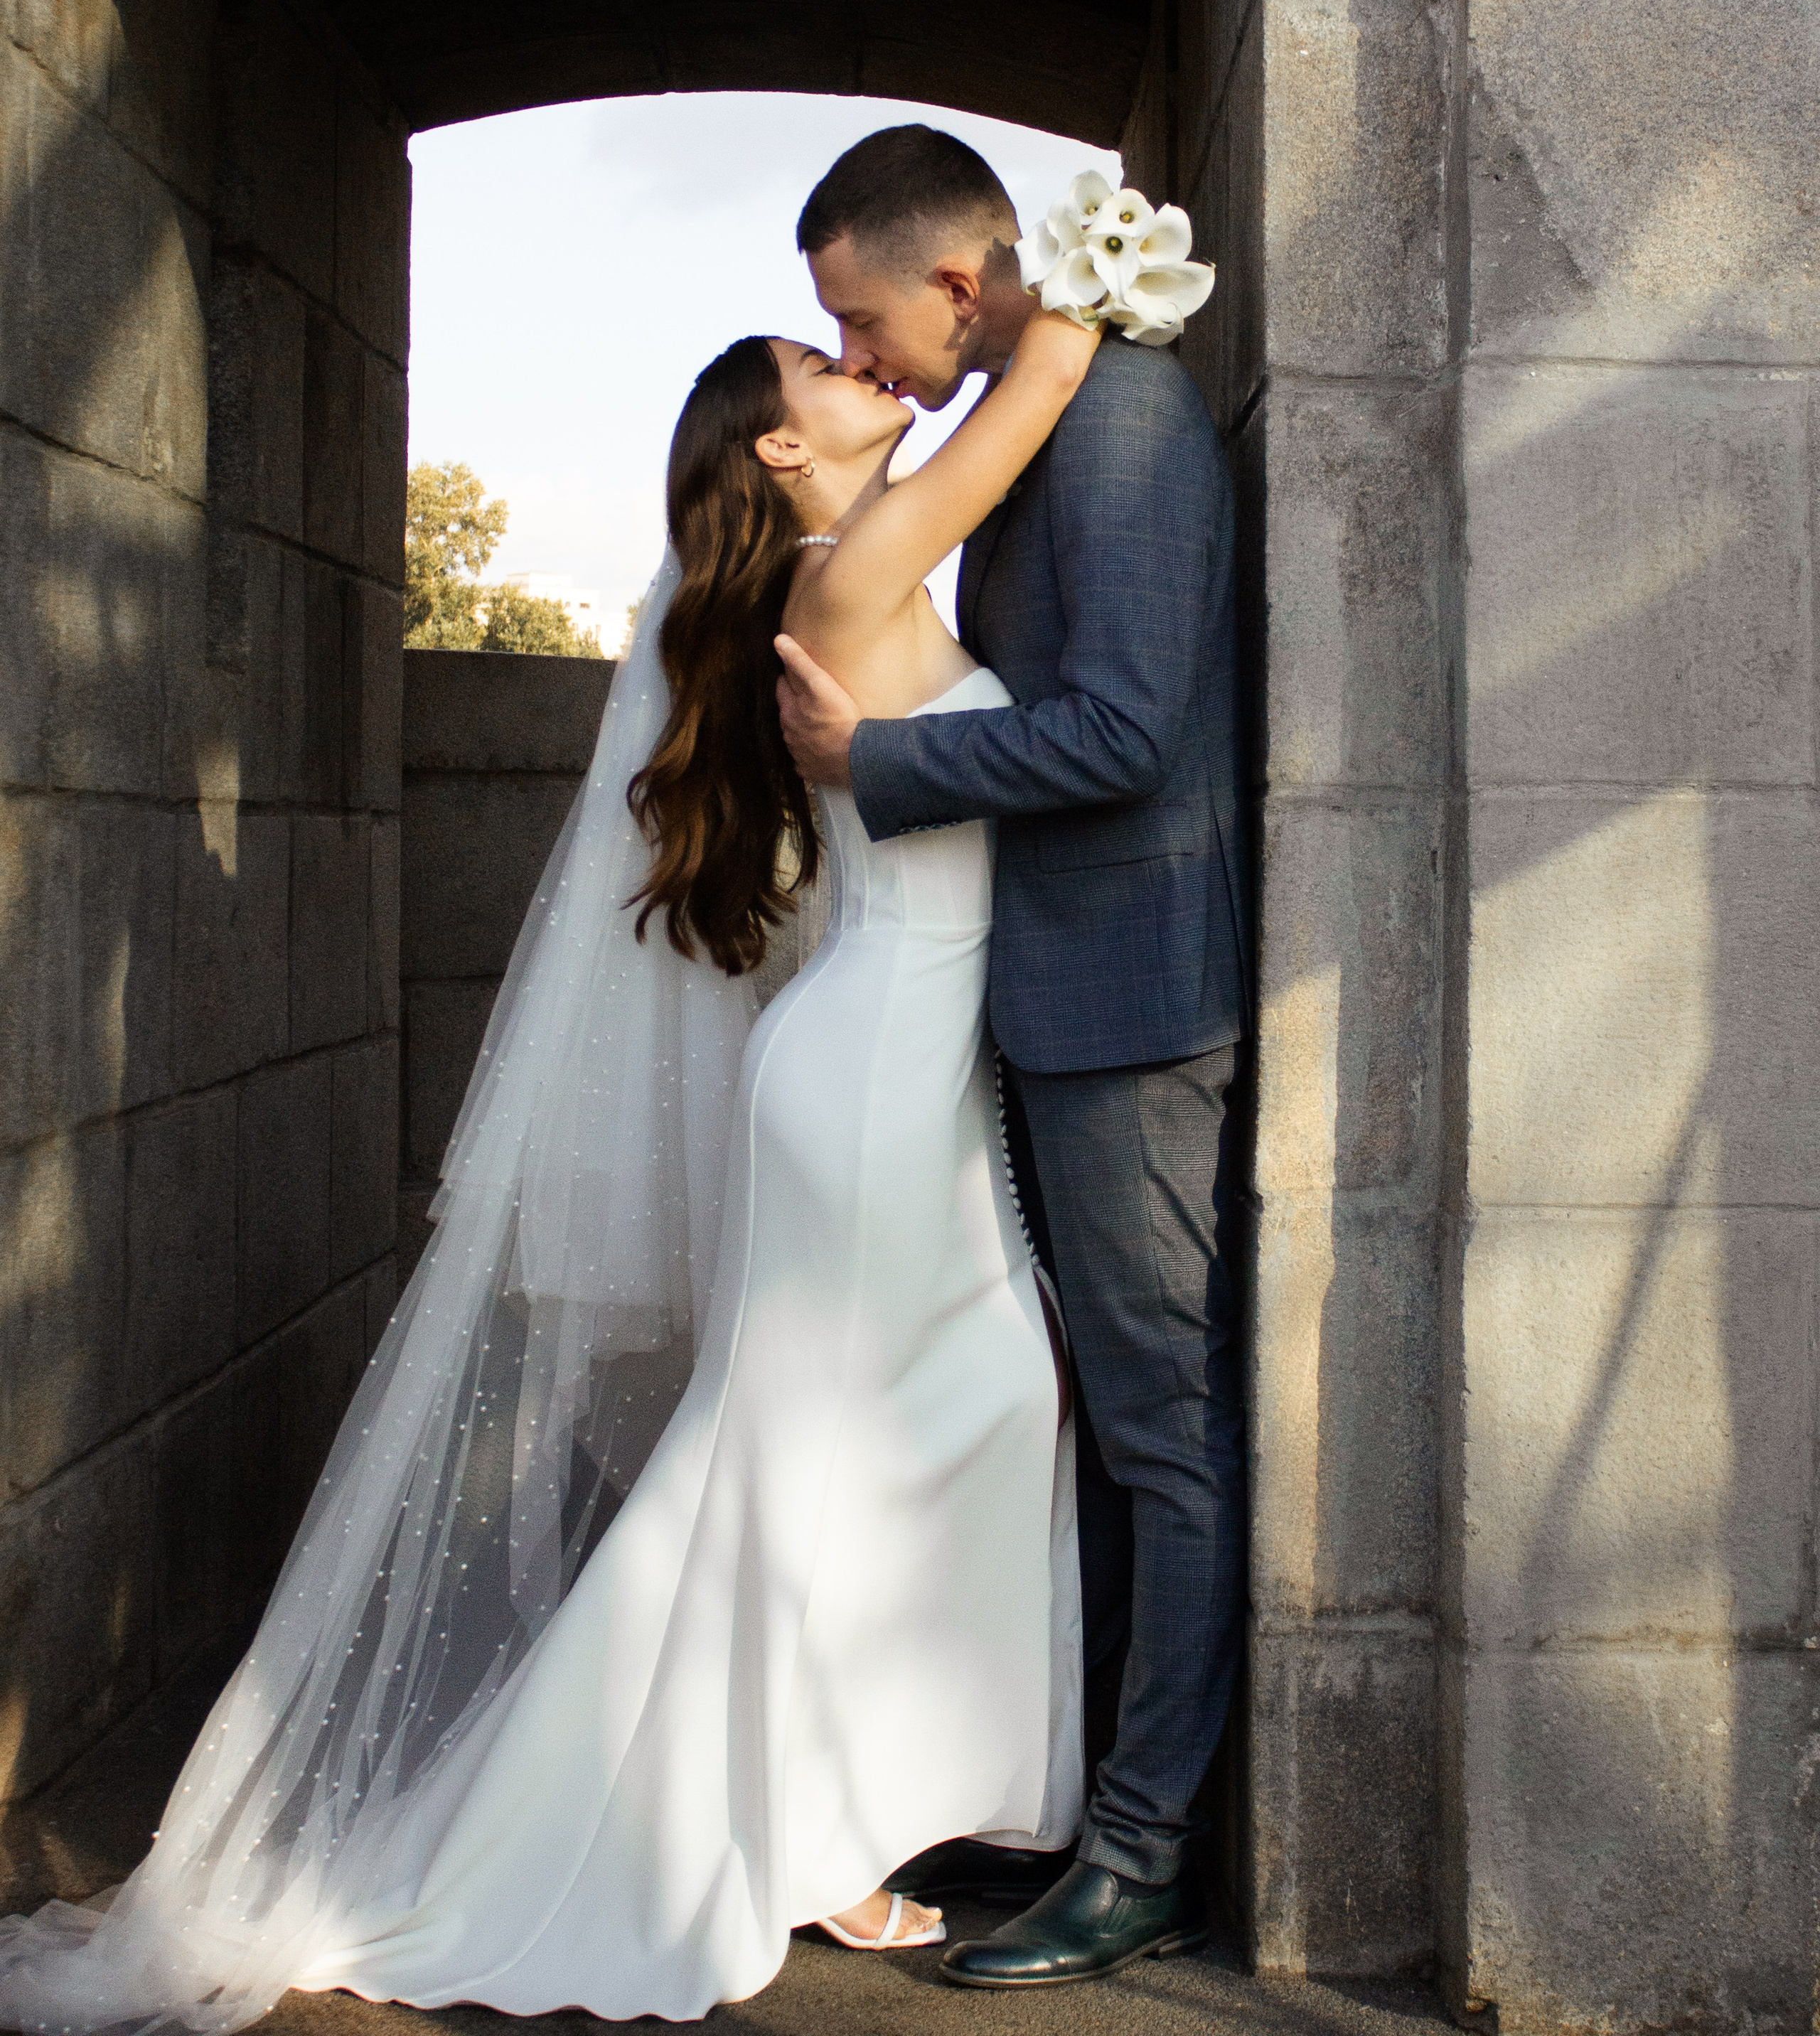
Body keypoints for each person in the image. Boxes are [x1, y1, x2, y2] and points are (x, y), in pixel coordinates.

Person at [0, 304, 1100, 2035]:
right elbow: (1040, 373)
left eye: (851, 344)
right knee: (832, 1445)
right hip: (875, 1059)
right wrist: (1085, 283)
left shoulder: (823, 576)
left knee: (898, 1424)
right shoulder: (851, 565)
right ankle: (765, 1831)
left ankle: (806, 1811)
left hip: (884, 1053)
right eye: (822, 369)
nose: (862, 369)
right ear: (781, 456)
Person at [777, 123, 1252, 1991]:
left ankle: (1139, 1854)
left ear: (954, 279)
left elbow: (1126, 732)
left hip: (1133, 1004)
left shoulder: (1121, 423)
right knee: (1105, 1433)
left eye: (860, 314)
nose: (866, 358)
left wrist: (875, 767)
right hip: (1056, 999)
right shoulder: (1041, 415)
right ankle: (1074, 1814)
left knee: (1164, 1430)